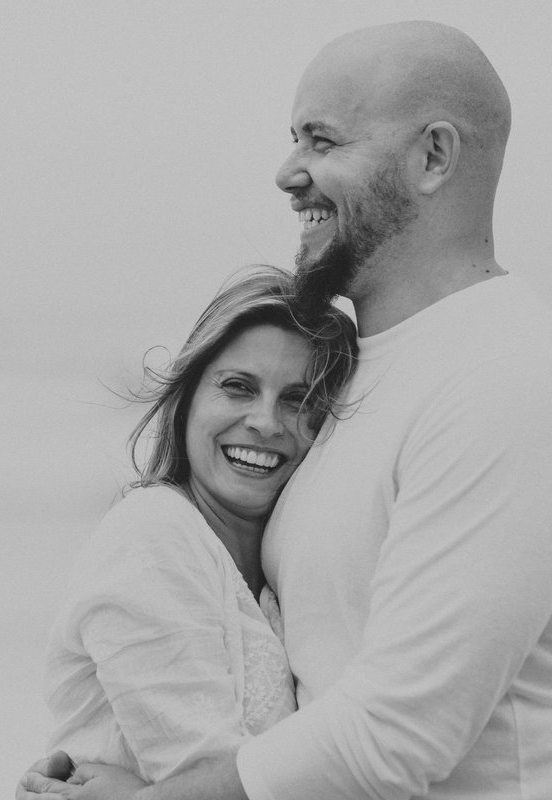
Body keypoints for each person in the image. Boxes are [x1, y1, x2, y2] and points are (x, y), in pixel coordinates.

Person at [20, 20, 552, 800]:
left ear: (433, 157)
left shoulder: (509, 382)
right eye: (294, 140)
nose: (288, 172)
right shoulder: (360, 374)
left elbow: (396, 735)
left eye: (323, 140)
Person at [43, 265, 356, 783]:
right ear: (187, 399)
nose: (266, 422)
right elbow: (205, 778)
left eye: (298, 400)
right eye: (238, 388)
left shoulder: (284, 569)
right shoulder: (152, 537)